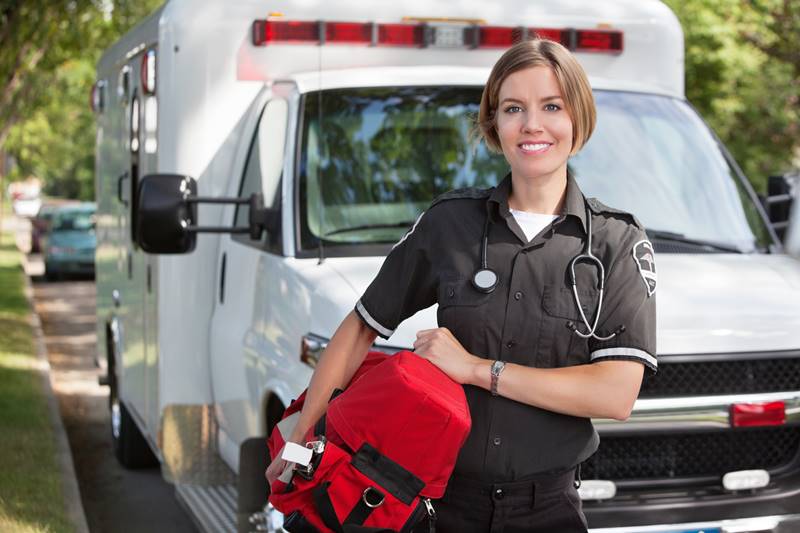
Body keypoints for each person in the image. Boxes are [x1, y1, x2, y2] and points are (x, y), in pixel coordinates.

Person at [266, 37, 657, 533]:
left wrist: (475, 369)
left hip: (549, 508)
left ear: (577, 116)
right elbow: (361, 328)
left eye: (551, 106)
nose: (532, 124)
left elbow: (615, 395)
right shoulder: (449, 223)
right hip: (435, 505)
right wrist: (303, 436)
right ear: (494, 122)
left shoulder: (615, 241)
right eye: (513, 108)